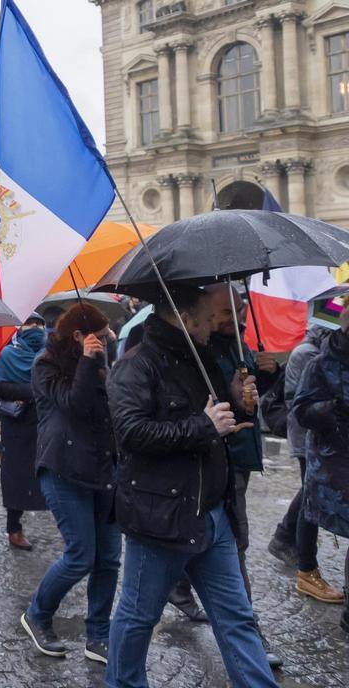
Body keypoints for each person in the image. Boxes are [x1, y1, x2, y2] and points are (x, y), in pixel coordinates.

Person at [105, 286, 277, 687]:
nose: (219, 324)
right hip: (162, 521)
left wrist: (236, 402)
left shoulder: (202, 356)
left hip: (213, 515)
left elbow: (217, 422)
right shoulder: (135, 365)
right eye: (210, 315)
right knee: (137, 617)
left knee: (237, 618)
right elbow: (130, 433)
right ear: (183, 317)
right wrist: (205, 424)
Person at [21, 303, 119, 665]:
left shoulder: (101, 366)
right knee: (80, 555)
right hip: (62, 468)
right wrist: (88, 363)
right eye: (103, 333)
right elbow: (72, 405)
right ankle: (38, 613)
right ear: (80, 336)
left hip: (102, 470)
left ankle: (99, 636)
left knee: (108, 559)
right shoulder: (45, 365)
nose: (109, 338)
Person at [200, 284, 283, 666]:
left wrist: (265, 377)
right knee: (230, 550)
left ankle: (247, 641)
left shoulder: (238, 341)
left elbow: (248, 406)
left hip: (238, 460)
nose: (238, 318)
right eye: (228, 312)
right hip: (210, 460)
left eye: (240, 310)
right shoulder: (198, 347)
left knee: (234, 547)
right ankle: (249, 639)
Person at [268, 321, 343, 605]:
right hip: (308, 440)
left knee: (307, 495)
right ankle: (302, 561)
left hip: (326, 441)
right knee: (309, 498)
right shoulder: (308, 354)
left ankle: (286, 539)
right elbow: (298, 402)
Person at [290, 307, 349, 637]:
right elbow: (301, 410)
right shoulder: (319, 363)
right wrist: (334, 407)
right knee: (307, 510)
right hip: (334, 458)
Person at [0, 314, 48, 550]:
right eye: (30, 324)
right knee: (16, 476)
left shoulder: (50, 355)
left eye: (40, 325)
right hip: (17, 424)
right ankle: (14, 528)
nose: (35, 329)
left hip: (44, 424)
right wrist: (32, 391)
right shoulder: (7, 355)